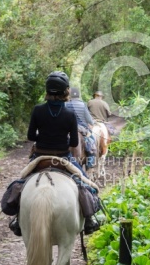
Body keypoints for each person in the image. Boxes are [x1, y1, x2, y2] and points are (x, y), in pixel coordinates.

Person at [9, 71, 99, 236]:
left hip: (39, 156)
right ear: (66, 91)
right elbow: (73, 143)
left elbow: (30, 136)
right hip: (63, 158)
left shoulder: (37, 110)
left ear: (47, 90)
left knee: (22, 181)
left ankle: (17, 218)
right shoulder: (70, 115)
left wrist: (42, 138)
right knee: (83, 183)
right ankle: (90, 219)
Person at [68, 87, 97, 169]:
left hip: (68, 128)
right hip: (81, 129)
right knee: (91, 140)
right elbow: (89, 120)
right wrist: (92, 122)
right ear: (78, 95)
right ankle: (90, 161)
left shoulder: (66, 104)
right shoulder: (82, 105)